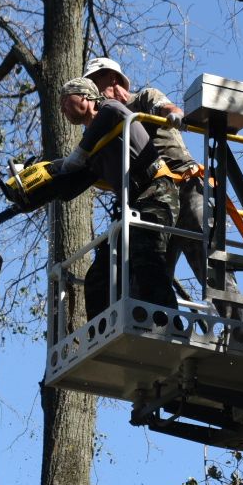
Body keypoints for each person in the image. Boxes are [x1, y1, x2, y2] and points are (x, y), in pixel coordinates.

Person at [49, 76, 179, 316]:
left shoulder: (109, 110)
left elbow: (111, 112)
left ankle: (167, 325)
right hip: (132, 206)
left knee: (146, 257)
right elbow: (71, 186)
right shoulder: (94, 147)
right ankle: (102, 330)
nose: (62, 109)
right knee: (98, 278)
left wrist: (79, 153)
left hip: (156, 192)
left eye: (65, 100)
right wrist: (46, 177)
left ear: (86, 96)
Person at [82, 57, 209, 298]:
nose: (91, 91)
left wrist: (175, 114)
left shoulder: (142, 99)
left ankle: (235, 319)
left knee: (209, 265)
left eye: (93, 82)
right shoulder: (105, 127)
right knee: (149, 274)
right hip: (152, 198)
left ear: (112, 78)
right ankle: (160, 318)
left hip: (185, 183)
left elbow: (165, 106)